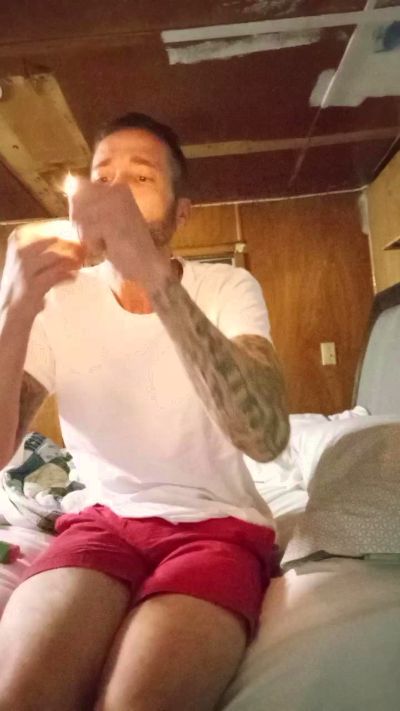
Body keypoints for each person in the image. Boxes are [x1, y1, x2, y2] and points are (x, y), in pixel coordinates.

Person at [0, 113, 289, 711]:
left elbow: (265, 436)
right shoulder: (60, 301)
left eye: (140, 177)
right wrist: (15, 311)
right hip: (102, 524)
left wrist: (151, 274)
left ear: (181, 213)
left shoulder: (226, 288)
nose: (115, 193)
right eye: (102, 177)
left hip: (215, 528)